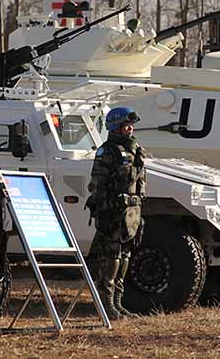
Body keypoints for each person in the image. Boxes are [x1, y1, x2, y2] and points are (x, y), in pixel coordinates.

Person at [86, 107, 146, 320]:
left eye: (131, 125)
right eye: (126, 125)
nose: (130, 129)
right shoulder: (108, 151)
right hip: (113, 213)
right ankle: (106, 304)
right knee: (112, 259)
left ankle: (118, 303)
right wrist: (105, 212)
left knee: (125, 257)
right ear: (115, 126)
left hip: (131, 213)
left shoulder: (136, 150)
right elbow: (97, 185)